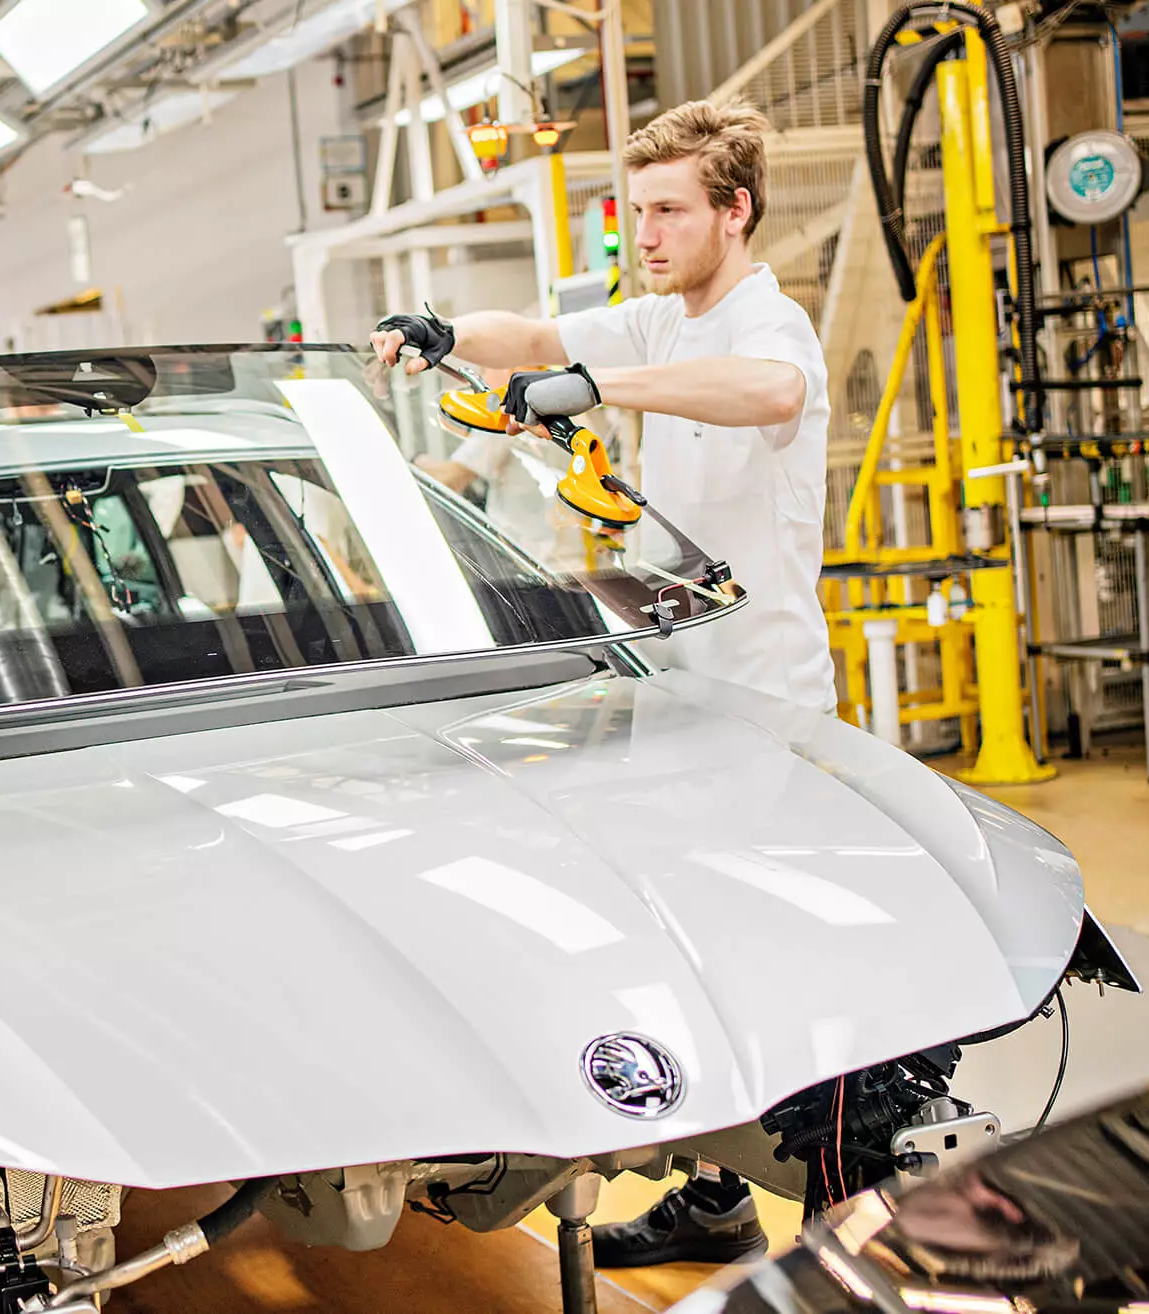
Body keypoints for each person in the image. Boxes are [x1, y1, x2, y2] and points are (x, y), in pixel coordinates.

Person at [373, 96, 832, 1266]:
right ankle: (717, 1203)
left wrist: (598, 391)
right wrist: (439, 330)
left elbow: (766, 395)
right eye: (636, 214)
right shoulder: (656, 319)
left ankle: (844, 1219)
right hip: (675, 695)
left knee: (788, 961)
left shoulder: (767, 328)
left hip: (765, 700)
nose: (648, 233)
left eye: (670, 211)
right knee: (687, 959)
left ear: (735, 210)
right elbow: (528, 336)